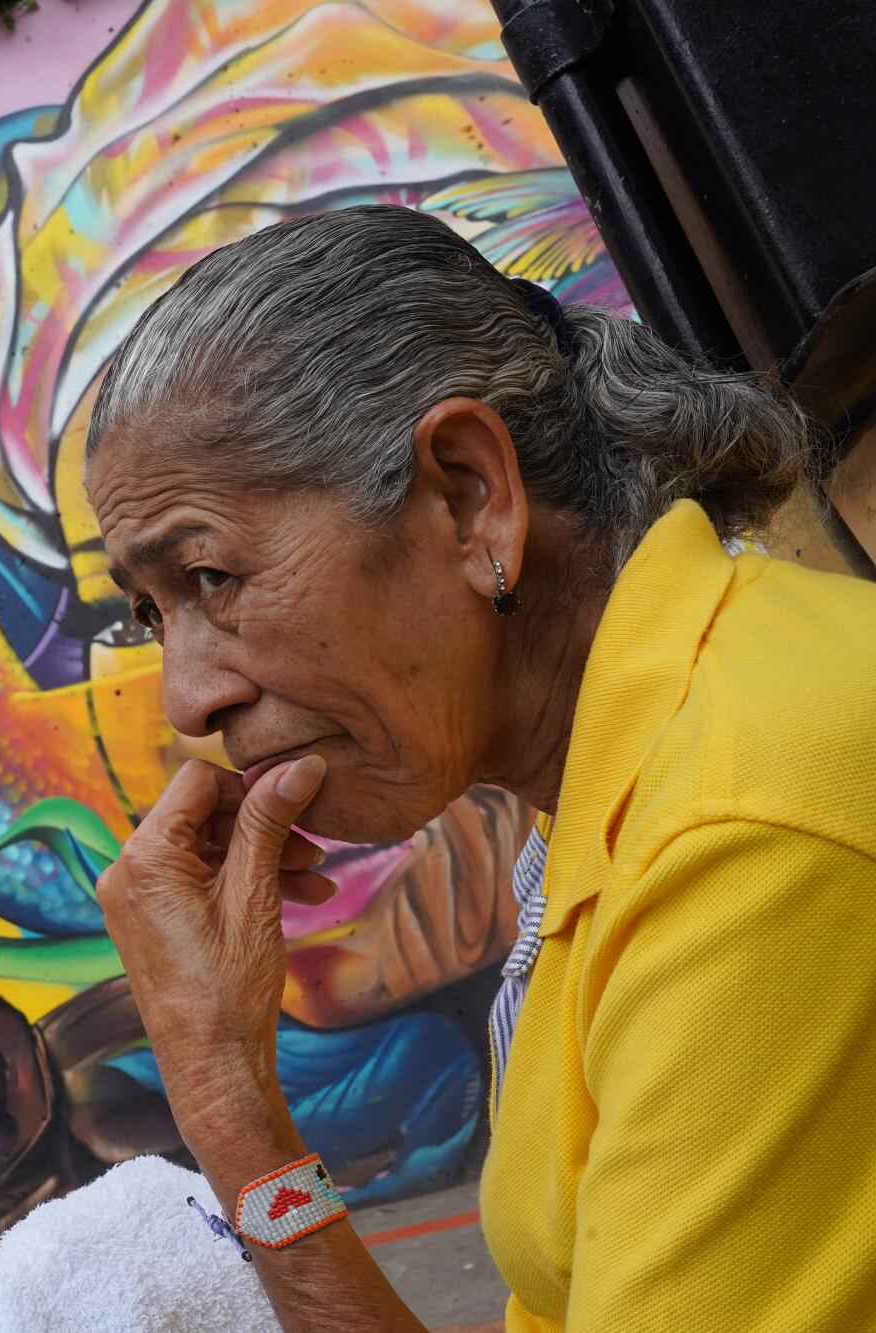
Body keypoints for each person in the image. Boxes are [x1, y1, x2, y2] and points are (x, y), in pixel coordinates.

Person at [84, 204, 876, 1331]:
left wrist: (227, 1103)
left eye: (209, 575)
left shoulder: (739, 832)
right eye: (148, 612)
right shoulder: (632, 778)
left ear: (467, 496)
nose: (188, 697)